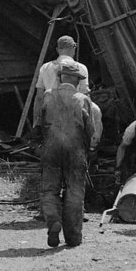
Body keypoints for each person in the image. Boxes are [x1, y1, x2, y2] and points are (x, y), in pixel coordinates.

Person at [37, 57, 94, 248]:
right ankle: (73, 237)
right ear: (77, 80)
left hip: (51, 148)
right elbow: (90, 130)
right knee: (75, 191)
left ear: (60, 78)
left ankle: (53, 220)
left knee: (50, 189)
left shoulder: (48, 96)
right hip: (75, 150)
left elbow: (41, 123)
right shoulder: (83, 100)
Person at [33, 34, 90, 127]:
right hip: (73, 114)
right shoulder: (81, 68)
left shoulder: (45, 67)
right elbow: (85, 95)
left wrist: (36, 122)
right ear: (73, 48)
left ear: (57, 50)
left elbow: (39, 97)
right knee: (96, 112)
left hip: (50, 114)